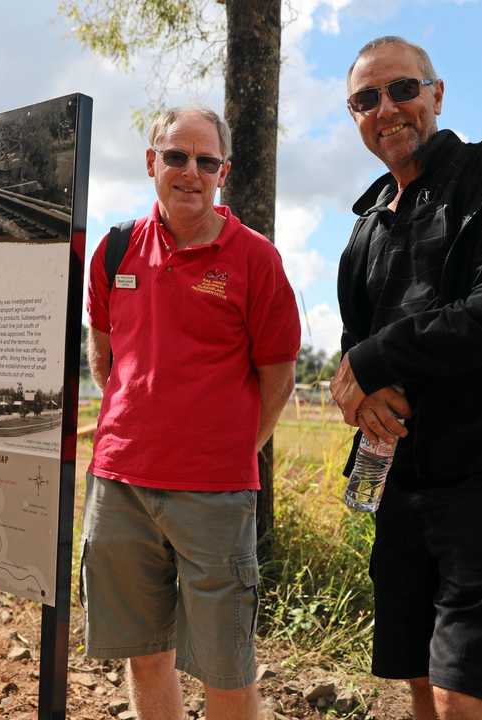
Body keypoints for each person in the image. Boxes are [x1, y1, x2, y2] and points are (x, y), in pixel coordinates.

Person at [332, 37, 482, 719]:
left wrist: (378, 361)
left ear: (437, 94)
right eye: (366, 99)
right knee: (414, 671)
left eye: (403, 89)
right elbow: (356, 346)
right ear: (355, 116)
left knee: (465, 688)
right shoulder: (367, 225)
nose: (387, 108)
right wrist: (362, 390)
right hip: (402, 474)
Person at [83, 106, 300, 720]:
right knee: (145, 653)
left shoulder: (256, 260)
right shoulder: (116, 249)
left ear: (223, 172)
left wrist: (228, 452)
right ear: (152, 161)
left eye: (207, 161)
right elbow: (105, 358)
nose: (190, 172)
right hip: (119, 484)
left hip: (215, 495)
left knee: (224, 665)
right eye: (176, 156)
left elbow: (278, 378)